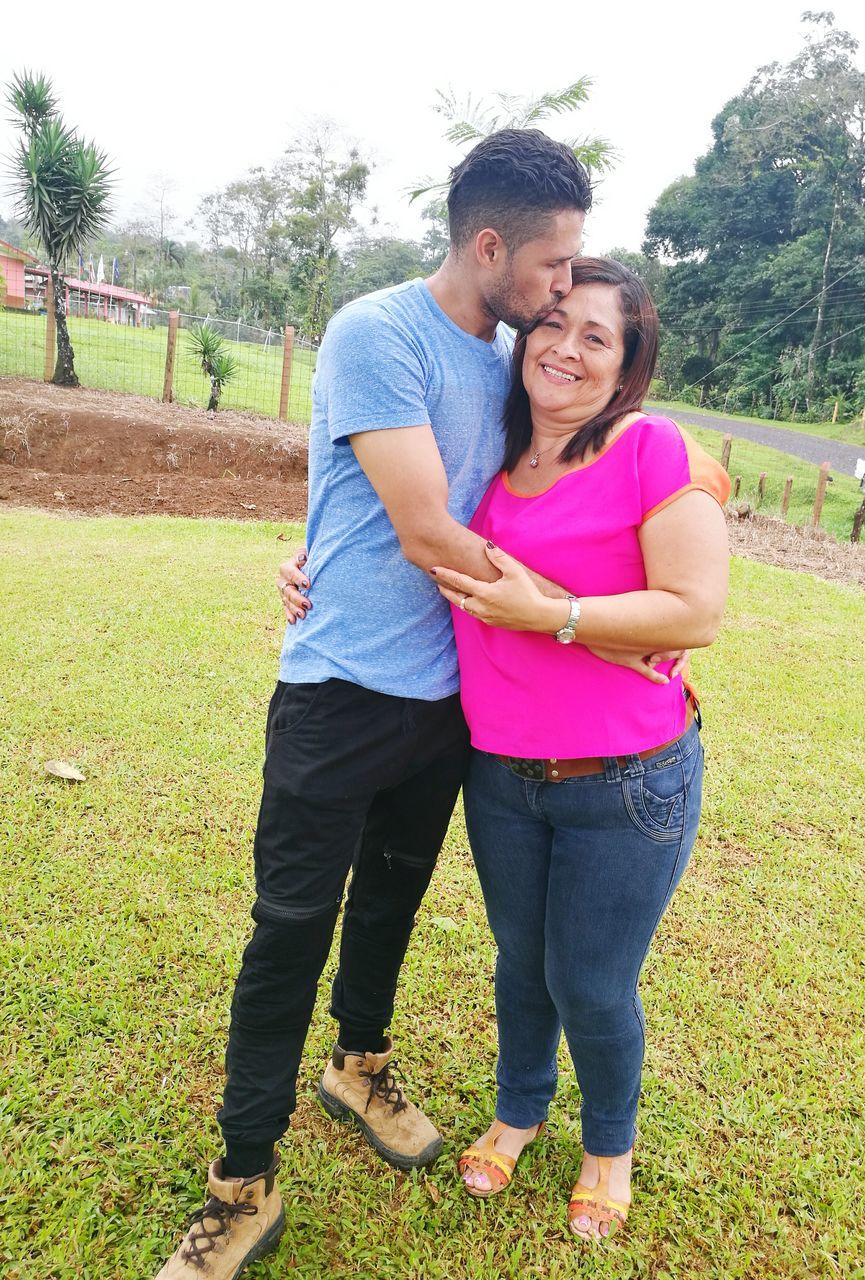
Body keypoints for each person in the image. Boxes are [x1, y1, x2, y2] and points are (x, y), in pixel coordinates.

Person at [155, 129, 601, 1280]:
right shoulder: (377, 331)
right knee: (288, 929)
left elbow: (576, 462)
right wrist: (585, 620)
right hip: (341, 689)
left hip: (451, 701)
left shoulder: (513, 357)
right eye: (555, 266)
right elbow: (423, 530)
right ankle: (241, 1182)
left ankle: (358, 1063)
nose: (562, 292)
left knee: (392, 904)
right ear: (492, 245)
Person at [429, 258, 730, 1241]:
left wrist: (554, 614)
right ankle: (519, 1109)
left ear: (627, 364)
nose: (564, 347)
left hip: (627, 780)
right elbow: (421, 541)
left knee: (591, 980)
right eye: (553, 323)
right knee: (521, 962)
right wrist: (316, 564)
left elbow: (694, 610)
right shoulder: (489, 451)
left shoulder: (650, 449)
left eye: (596, 336)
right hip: (503, 773)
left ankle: (609, 1146)